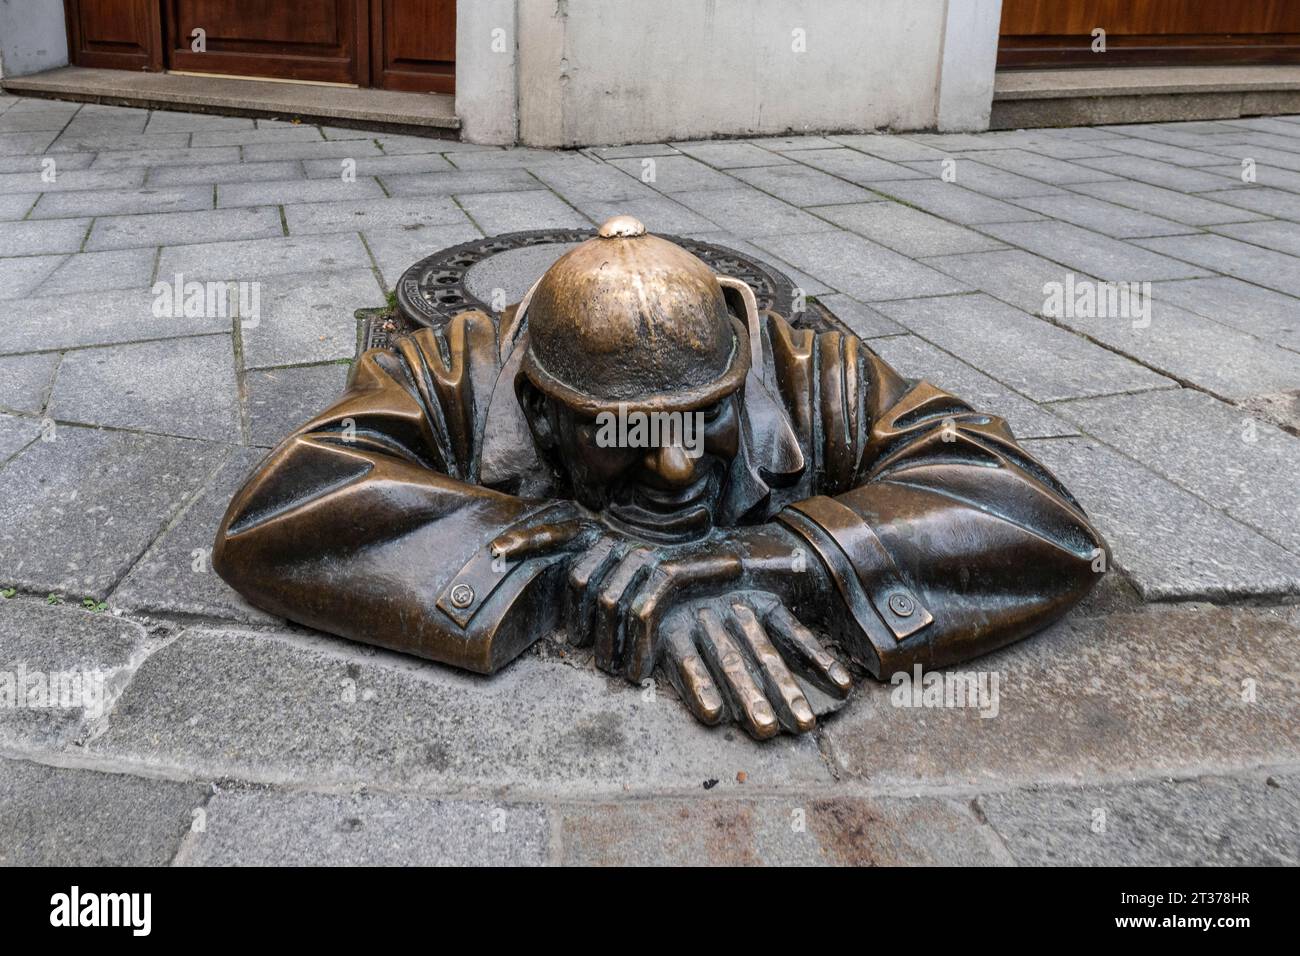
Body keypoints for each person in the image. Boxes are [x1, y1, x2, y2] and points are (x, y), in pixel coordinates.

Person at [214, 216, 1106, 739]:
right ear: (538, 409)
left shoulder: (810, 371)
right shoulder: (447, 370)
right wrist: (568, 565)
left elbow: (1039, 515)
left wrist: (769, 562)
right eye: (622, 431)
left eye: (709, 413)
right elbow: (281, 510)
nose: (677, 463)